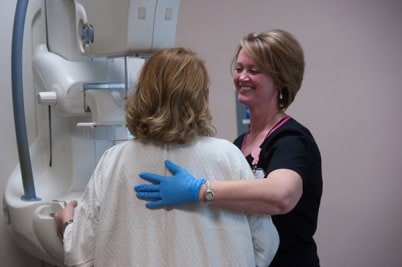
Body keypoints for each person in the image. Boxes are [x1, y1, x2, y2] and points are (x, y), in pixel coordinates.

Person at [54, 47, 279, 266]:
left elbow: (79, 255)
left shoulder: (113, 161)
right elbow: (265, 245)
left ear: (143, 93)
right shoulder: (228, 156)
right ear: (200, 97)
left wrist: (67, 222)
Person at [135, 30, 323, 267]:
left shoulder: (292, 140)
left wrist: (199, 190)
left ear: (281, 81)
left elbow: (281, 196)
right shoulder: (239, 144)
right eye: (239, 68)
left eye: (254, 71)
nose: (242, 77)